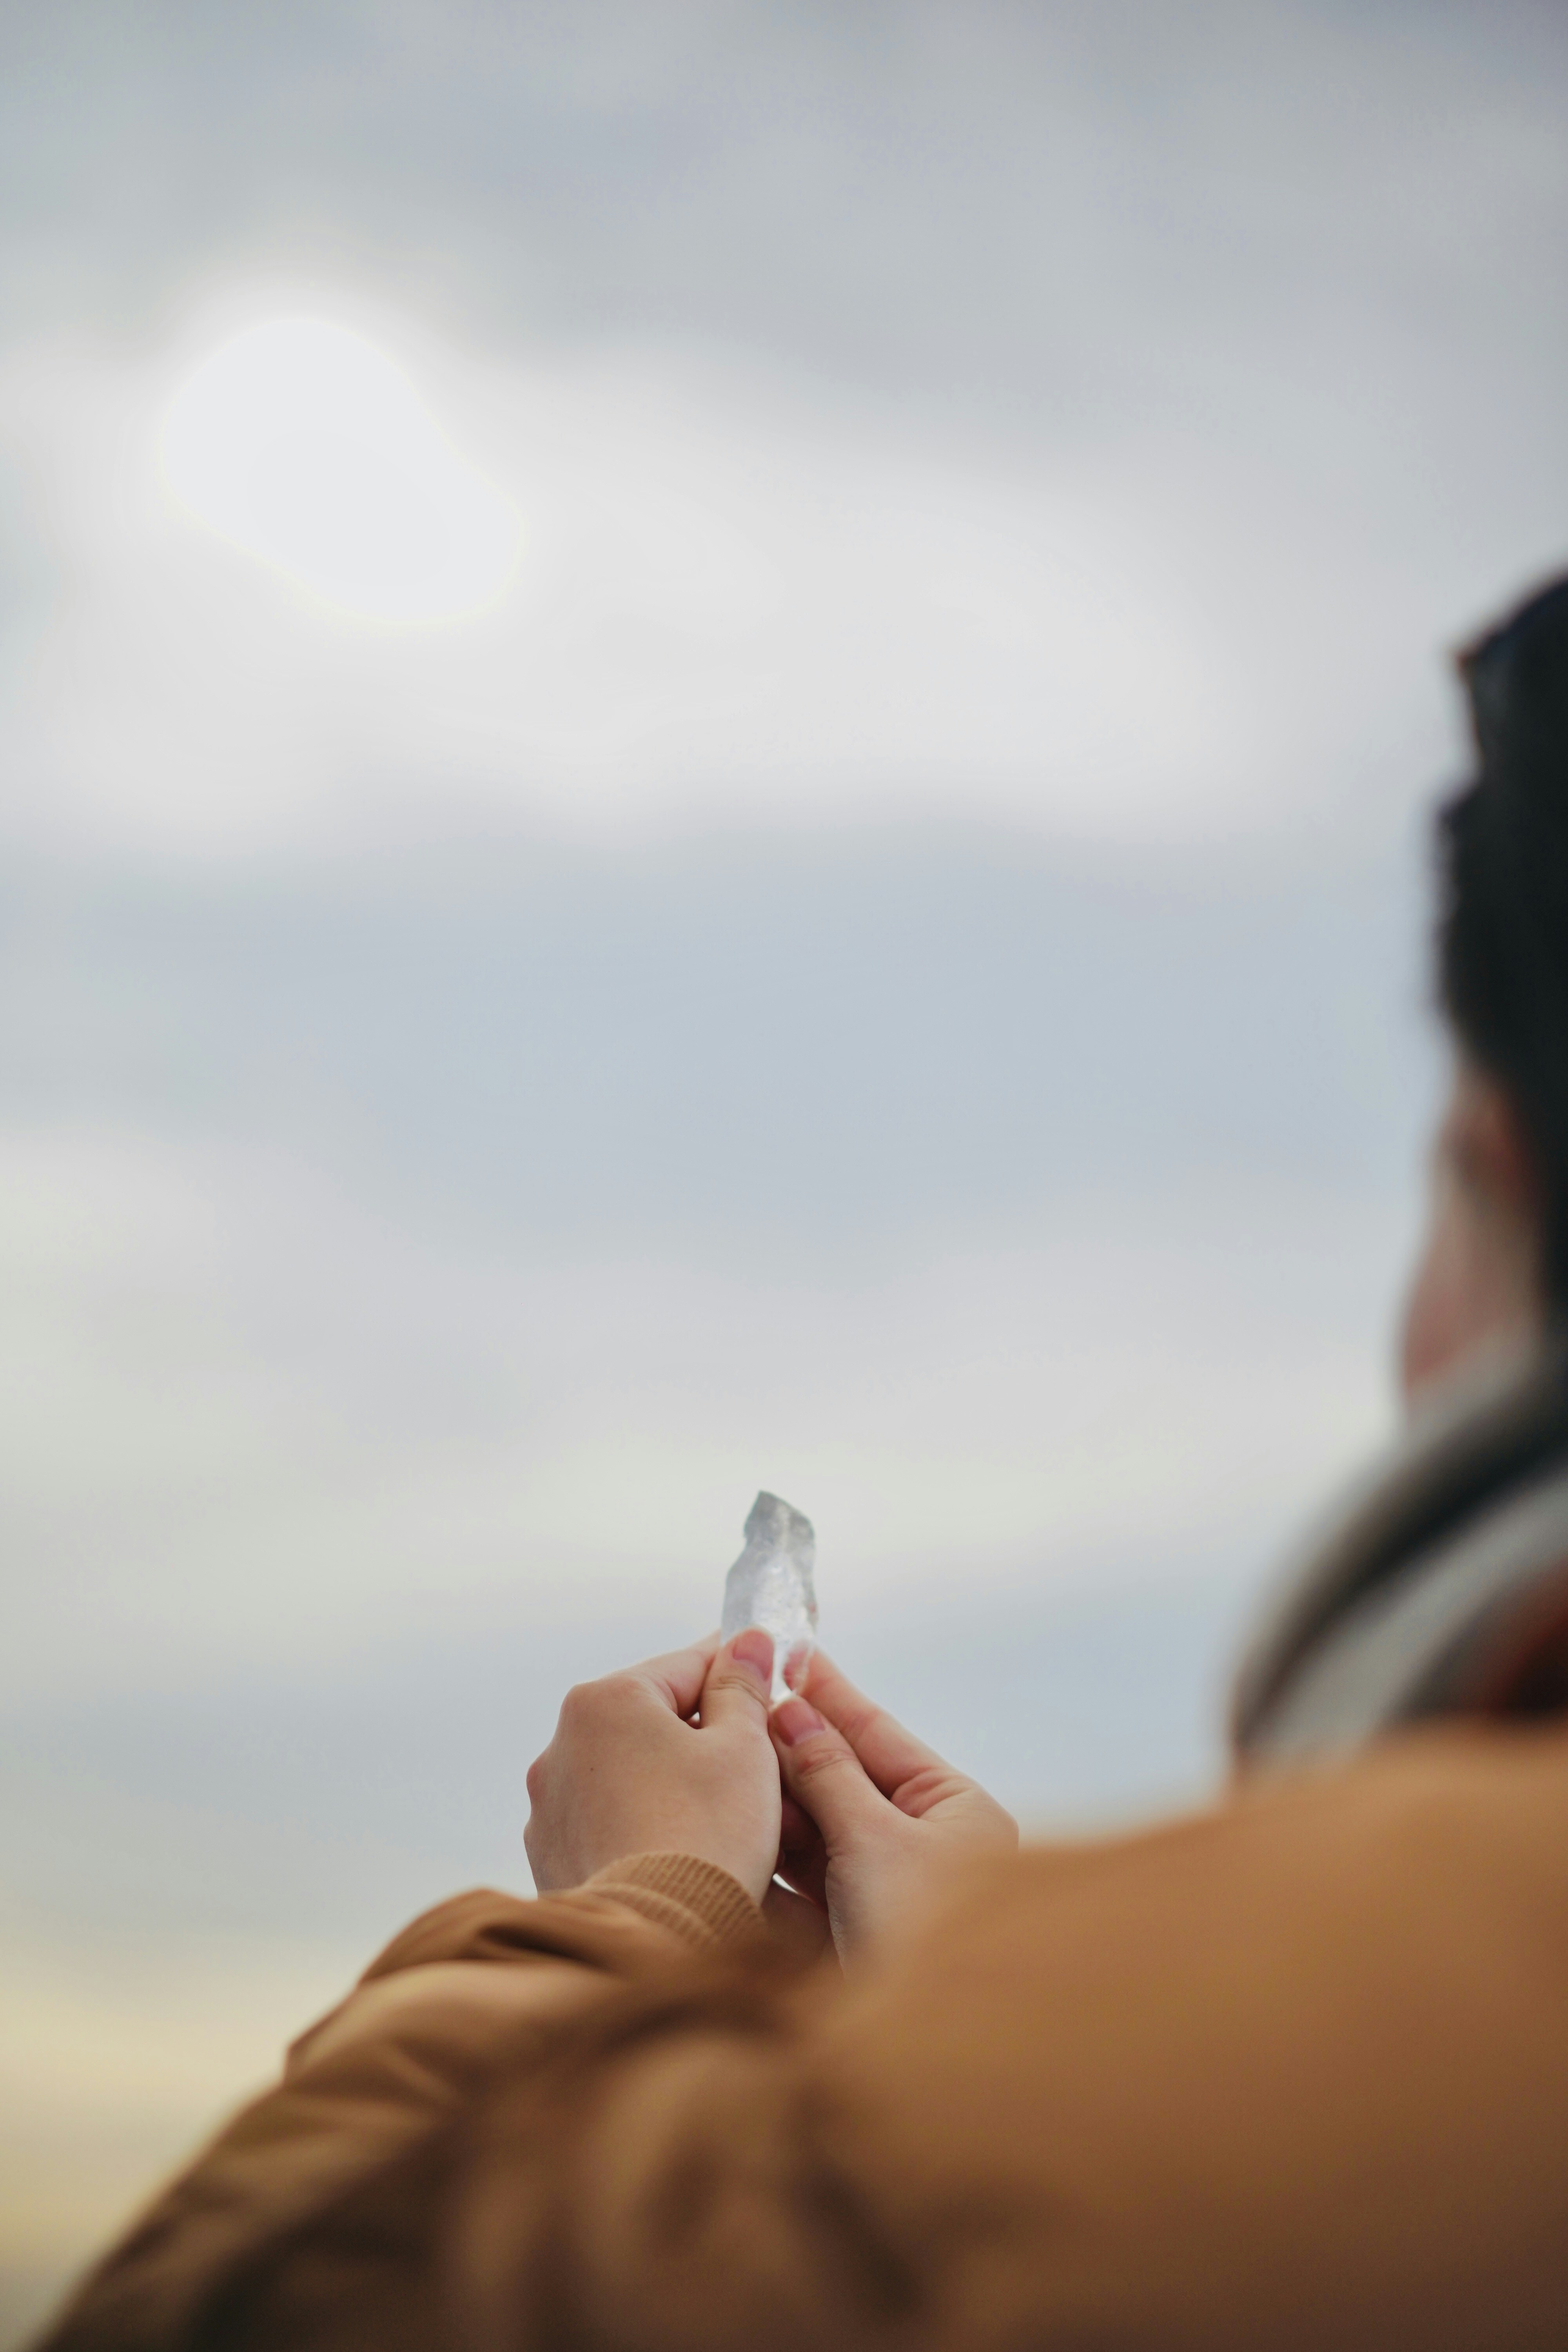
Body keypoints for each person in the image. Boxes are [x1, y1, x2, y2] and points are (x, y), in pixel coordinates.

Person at [36, 573, 1568, 2352]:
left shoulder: (1365, 2034)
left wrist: (640, 1917)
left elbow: (242, 2312)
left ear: (1499, 1172)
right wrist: (975, 1989)